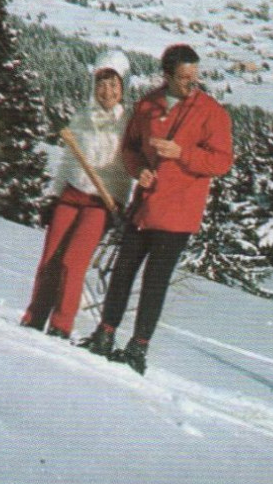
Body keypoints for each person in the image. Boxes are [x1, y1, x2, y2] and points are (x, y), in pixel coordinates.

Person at [80, 43, 233, 374]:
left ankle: (137, 349)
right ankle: (104, 336)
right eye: (183, 78)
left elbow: (222, 161)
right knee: (122, 272)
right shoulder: (149, 105)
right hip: (145, 207)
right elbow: (131, 148)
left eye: (195, 76)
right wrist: (139, 171)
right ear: (166, 75)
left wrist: (183, 154)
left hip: (179, 213)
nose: (191, 83)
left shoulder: (211, 112)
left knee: (154, 281)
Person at [20, 49, 133, 339]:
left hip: (101, 203)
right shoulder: (82, 117)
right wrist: (54, 196)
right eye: (101, 84)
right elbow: (69, 160)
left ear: (123, 87)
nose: (107, 91)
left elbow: (129, 171)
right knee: (50, 260)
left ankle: (61, 325)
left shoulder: (129, 125)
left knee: (73, 263)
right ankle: (34, 319)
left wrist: (120, 205)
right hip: (71, 194)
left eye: (113, 85)